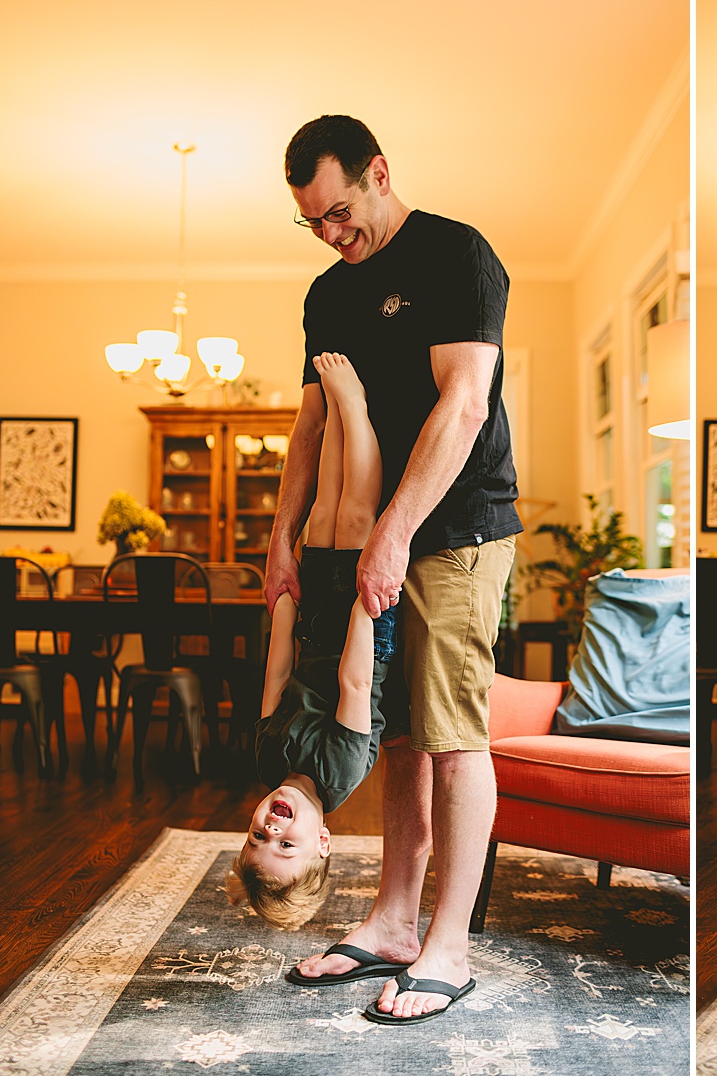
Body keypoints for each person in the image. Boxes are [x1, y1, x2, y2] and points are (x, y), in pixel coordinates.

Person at [264, 115, 521, 1025]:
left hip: (456, 530)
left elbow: (463, 405)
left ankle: (449, 942)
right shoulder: (326, 296)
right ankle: (394, 921)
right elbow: (309, 429)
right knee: (399, 733)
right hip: (369, 537)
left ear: (378, 173)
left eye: (339, 212)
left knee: (451, 734)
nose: (333, 236)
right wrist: (283, 533)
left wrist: (394, 532)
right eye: (314, 224)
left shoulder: (458, 256)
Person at [227, 352, 397, 931]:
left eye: (257, 838)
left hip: (316, 625)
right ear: (323, 841)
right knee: (354, 518)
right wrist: (362, 601)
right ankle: (355, 404)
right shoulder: (340, 770)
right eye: (286, 846)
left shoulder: (267, 758)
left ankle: (328, 421)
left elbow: (276, 677)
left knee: (323, 513)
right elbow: (354, 682)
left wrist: (283, 605)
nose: (272, 830)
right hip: (363, 630)